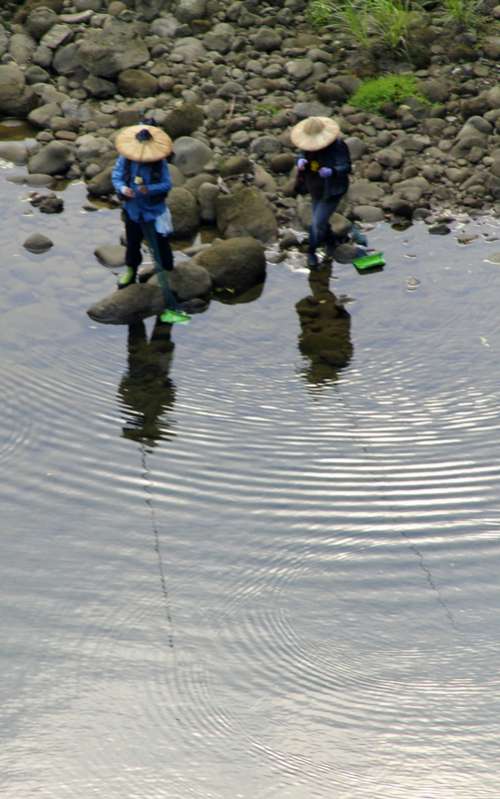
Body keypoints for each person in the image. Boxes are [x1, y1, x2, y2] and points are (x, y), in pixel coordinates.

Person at [111, 120, 174, 290]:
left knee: (161, 246)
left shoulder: (159, 162)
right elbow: (116, 177)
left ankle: (167, 274)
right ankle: (131, 271)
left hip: (154, 212)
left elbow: (167, 185)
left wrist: (148, 189)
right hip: (133, 210)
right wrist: (123, 188)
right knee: (132, 243)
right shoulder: (126, 158)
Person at [291, 116, 352, 269]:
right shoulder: (306, 145)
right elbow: (301, 154)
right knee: (321, 222)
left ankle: (311, 252)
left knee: (316, 223)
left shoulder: (338, 146)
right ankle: (331, 242)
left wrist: (332, 171)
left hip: (331, 190)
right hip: (314, 188)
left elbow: (346, 167)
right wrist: (299, 161)